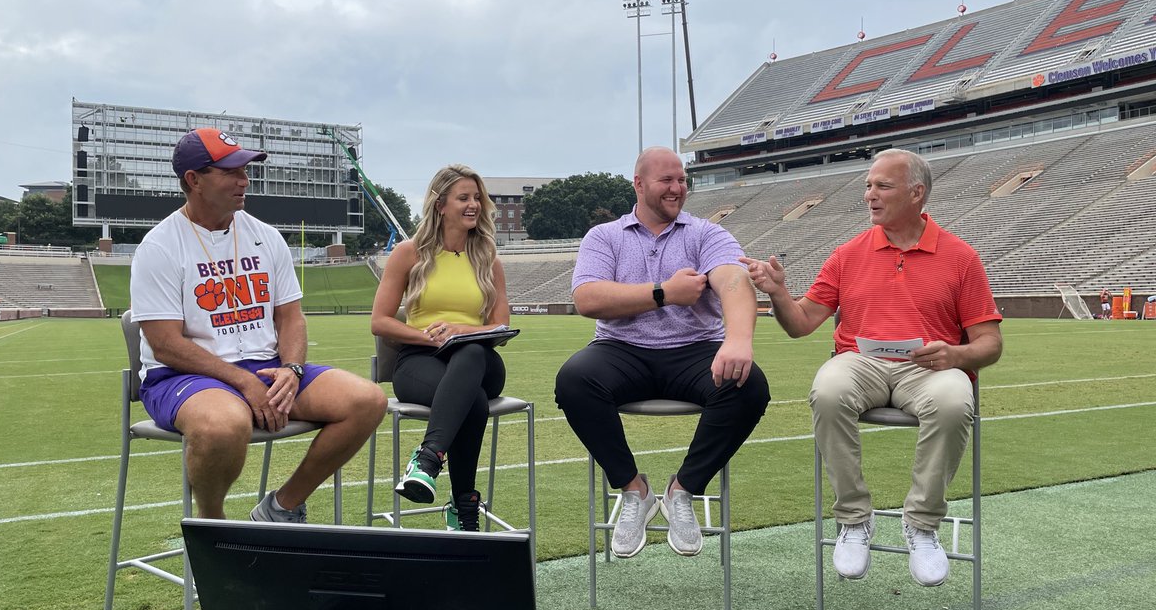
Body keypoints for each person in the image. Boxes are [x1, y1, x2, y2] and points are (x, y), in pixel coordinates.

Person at [743, 148, 1002, 587]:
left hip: (928, 367)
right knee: (827, 390)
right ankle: (854, 520)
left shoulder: (960, 257)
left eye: (882, 186)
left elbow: (990, 344)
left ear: (917, 193)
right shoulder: (848, 254)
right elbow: (802, 323)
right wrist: (779, 293)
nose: (869, 195)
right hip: (860, 361)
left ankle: (921, 524)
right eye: (868, 185)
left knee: (957, 401)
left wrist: (955, 355)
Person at [129, 127, 387, 523]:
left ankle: (281, 507)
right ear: (193, 180)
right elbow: (164, 344)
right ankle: (213, 528)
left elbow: (290, 317)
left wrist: (292, 367)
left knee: (367, 401)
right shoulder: (160, 246)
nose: (243, 180)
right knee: (222, 426)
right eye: (230, 171)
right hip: (182, 376)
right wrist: (243, 382)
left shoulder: (265, 236)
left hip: (265, 366)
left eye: (245, 170)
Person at [554, 146, 771, 558]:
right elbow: (587, 298)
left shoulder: (706, 233)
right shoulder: (606, 236)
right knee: (574, 380)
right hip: (621, 348)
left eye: (682, 180)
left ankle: (682, 491)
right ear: (638, 184)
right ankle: (635, 491)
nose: (677, 188)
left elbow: (733, 281)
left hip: (694, 348)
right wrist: (663, 293)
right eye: (666, 180)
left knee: (749, 385)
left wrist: (739, 339)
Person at [370, 164, 510, 532]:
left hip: (480, 359)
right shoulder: (409, 253)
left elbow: (501, 324)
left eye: (477, 197)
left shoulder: (487, 256)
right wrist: (431, 336)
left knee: (473, 353)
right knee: (472, 401)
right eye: (464, 197)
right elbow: (380, 322)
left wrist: (461, 330)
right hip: (420, 360)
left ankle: (428, 460)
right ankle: (464, 509)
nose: (474, 205)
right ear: (440, 205)